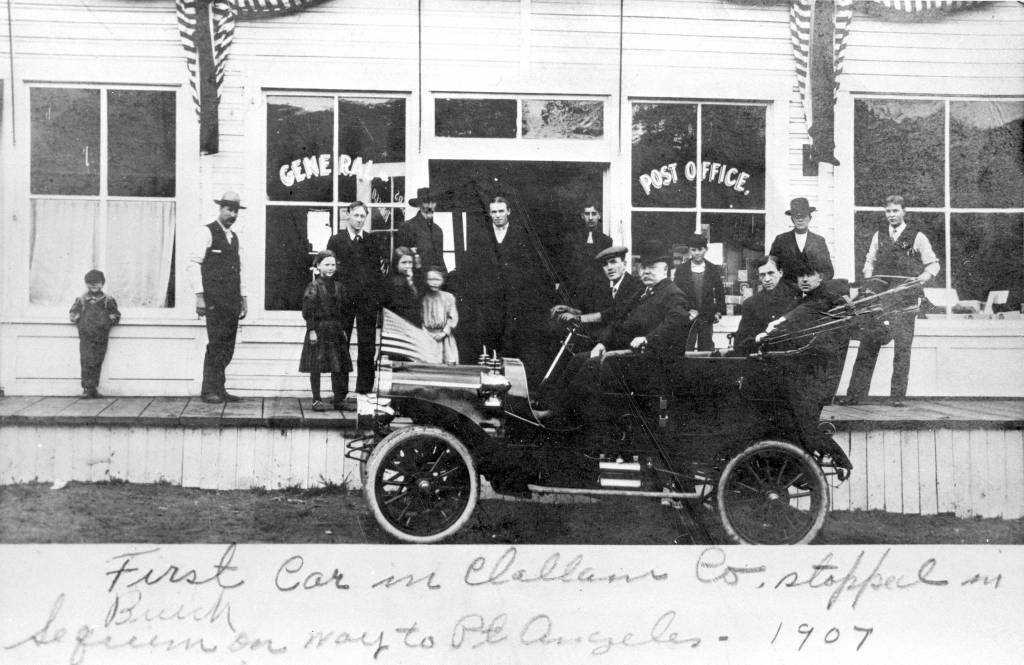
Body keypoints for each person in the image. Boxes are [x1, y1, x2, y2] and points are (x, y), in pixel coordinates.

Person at [547, 241, 691, 420]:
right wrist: (602, 342)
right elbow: (617, 320)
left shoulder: (672, 294)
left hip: (650, 360)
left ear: (665, 269)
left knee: (591, 364)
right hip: (632, 356)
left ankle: (561, 415)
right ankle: (553, 408)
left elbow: (677, 321)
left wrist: (647, 339)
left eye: (652, 268)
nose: (646, 272)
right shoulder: (643, 292)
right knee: (579, 358)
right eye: (643, 268)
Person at [840, 194, 941, 407]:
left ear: (904, 212)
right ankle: (855, 396)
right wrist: (869, 281)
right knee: (867, 346)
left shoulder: (917, 237)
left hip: (905, 302)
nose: (891, 215)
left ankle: (896, 398)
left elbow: (933, 265)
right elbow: (870, 261)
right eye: (888, 211)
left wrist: (923, 277)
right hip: (880, 302)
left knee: (902, 351)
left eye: (895, 211)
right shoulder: (879, 235)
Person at [760, 260, 852, 472]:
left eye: (809, 275)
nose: (804, 280)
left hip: (816, 374)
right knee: (794, 422)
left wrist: (774, 326)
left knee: (803, 424)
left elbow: (805, 313)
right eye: (800, 276)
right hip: (807, 371)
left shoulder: (825, 298)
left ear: (820, 277)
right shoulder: (809, 297)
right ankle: (800, 468)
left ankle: (835, 460)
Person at [463, 195, 556, 384]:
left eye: (501, 211)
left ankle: (510, 387)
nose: (497, 215)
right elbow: (475, 268)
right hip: (489, 301)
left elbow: (529, 268)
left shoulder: (521, 235)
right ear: (489, 214)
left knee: (512, 342)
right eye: (494, 212)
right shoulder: (483, 237)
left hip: (514, 301)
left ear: (509, 212)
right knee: (488, 342)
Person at [188, 191, 248, 404]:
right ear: (220, 209)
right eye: (229, 209)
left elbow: (239, 270)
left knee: (227, 346)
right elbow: (193, 264)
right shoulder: (206, 232)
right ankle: (208, 390)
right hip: (213, 300)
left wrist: (243, 298)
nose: (232, 214)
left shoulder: (234, 237)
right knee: (216, 344)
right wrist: (199, 296)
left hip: (231, 301)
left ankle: (220, 389)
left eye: (235, 211)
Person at [327, 201, 389, 404]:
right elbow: (330, 273)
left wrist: (378, 302)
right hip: (343, 303)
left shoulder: (371, 240)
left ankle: (364, 392)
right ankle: (339, 394)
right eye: (356, 215)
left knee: (367, 347)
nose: (360, 220)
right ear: (348, 215)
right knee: (340, 346)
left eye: (363, 216)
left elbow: (377, 274)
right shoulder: (336, 241)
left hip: (367, 303)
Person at [299, 250, 353, 412]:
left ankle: (339, 399)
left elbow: (344, 310)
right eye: (327, 264)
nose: (330, 268)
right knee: (316, 364)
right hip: (320, 329)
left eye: (333, 264)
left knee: (338, 366)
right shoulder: (314, 286)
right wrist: (311, 330)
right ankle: (317, 399)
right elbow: (308, 311)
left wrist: (343, 328)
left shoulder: (339, 287)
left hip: (335, 330)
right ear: (318, 266)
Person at [553, 245, 643, 340]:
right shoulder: (611, 288)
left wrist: (577, 318)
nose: (609, 268)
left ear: (624, 264)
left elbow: (613, 313)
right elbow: (598, 311)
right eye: (605, 264)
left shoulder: (633, 285)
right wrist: (571, 310)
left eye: (613, 262)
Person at [730, 256, 799, 355]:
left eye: (771, 273)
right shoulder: (751, 304)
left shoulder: (796, 297)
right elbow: (740, 344)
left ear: (780, 273)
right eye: (762, 275)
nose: (767, 279)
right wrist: (757, 339)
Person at [69, 269, 121, 398]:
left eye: (97, 283)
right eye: (90, 282)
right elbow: (73, 314)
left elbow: (115, 314)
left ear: (102, 283)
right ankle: (87, 388)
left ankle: (94, 389)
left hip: (101, 335)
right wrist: (80, 322)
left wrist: (106, 323)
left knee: (97, 360)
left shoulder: (107, 300)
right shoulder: (81, 299)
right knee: (86, 360)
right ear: (86, 283)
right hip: (86, 335)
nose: (93, 285)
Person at [673, 233, 725, 351]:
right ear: (689, 251)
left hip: (707, 316)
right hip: (688, 316)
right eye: (693, 249)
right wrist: (684, 311)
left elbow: (720, 293)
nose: (697, 253)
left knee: (706, 347)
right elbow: (676, 294)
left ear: (705, 250)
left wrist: (718, 312)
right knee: (686, 346)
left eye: (700, 249)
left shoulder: (713, 269)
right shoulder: (682, 269)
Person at [769, 197, 834, 285]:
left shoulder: (819, 241)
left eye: (803, 216)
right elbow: (771, 268)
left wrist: (815, 285)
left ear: (810, 218)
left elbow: (828, 271)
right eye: (796, 216)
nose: (800, 219)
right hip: (787, 291)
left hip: (812, 292)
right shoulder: (781, 240)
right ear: (792, 219)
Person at [563, 202, 612, 299]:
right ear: (582, 216)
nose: (590, 218)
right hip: (576, 290)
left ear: (599, 216)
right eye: (587, 214)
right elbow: (567, 266)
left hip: (598, 291)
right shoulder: (572, 239)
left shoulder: (606, 241)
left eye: (594, 214)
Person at [396, 187, 447, 275]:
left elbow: (440, 260)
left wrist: (444, 276)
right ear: (419, 204)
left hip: (434, 281)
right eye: (426, 202)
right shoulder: (407, 227)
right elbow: (401, 260)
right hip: (415, 278)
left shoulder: (438, 230)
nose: (430, 206)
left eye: (433, 202)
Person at [421, 266, 459, 364]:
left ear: (443, 280)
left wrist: (443, 333)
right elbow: (419, 318)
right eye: (430, 279)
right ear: (425, 280)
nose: (434, 283)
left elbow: (452, 318)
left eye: (437, 279)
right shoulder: (422, 298)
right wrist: (426, 333)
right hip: (426, 337)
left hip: (445, 338)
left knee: (448, 365)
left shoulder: (448, 297)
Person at [387, 246, 422, 326]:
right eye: (404, 262)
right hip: (397, 321)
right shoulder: (392, 280)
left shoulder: (415, 279)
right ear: (396, 264)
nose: (407, 266)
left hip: (414, 320)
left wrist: (411, 282)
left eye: (410, 262)